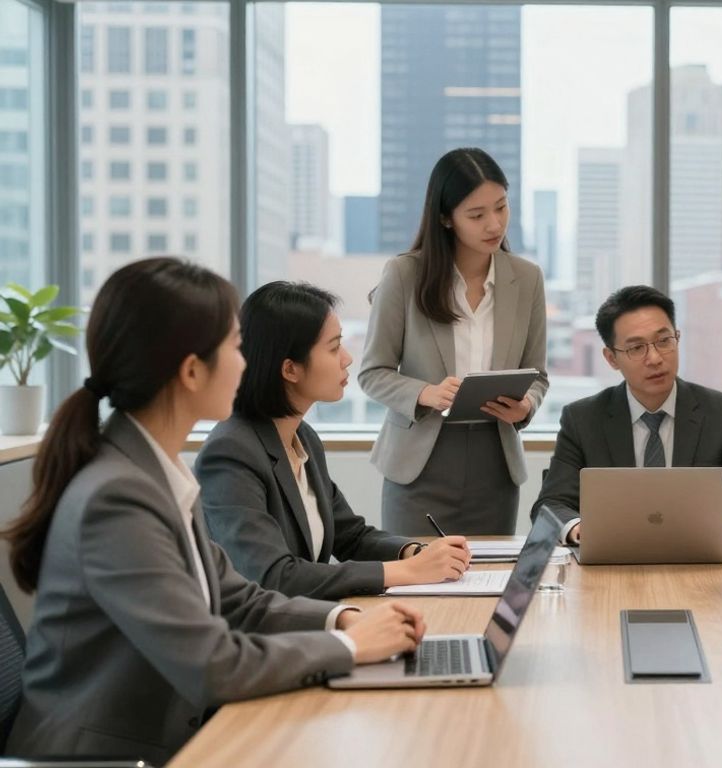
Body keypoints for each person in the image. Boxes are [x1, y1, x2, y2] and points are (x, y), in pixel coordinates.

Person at [0, 258, 425, 764]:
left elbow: (239, 601)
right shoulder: (117, 498)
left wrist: (345, 618)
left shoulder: (155, 473)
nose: (245, 363)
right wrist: (351, 649)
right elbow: (212, 663)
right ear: (192, 370)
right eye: (233, 347)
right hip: (103, 758)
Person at [196, 281, 473, 600]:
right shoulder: (230, 453)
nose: (347, 359)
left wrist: (413, 552)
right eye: (333, 347)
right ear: (290, 369)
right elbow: (274, 576)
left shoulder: (302, 438)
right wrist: (407, 572)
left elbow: (350, 536)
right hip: (260, 639)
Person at [360, 147, 549, 535]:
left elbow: (539, 375)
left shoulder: (527, 279)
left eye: (501, 207)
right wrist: (425, 393)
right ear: (446, 218)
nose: (494, 224)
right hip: (419, 464)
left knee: (490, 584)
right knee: (418, 586)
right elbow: (372, 372)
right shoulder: (405, 275)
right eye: (477, 215)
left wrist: (526, 405)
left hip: (495, 463)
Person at [532, 286, 722, 545]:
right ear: (611, 358)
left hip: (700, 562)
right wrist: (579, 529)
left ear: (677, 338)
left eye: (664, 341)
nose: (655, 358)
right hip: (614, 564)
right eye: (636, 348)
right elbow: (551, 505)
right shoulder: (583, 419)